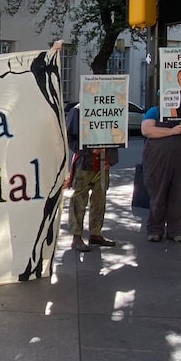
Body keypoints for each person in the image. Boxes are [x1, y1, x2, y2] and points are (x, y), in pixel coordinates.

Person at [141, 104, 181, 242]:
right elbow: (146, 130)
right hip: (158, 160)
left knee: (179, 195)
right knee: (158, 194)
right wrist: (171, 131)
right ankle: (155, 230)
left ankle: (175, 231)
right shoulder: (155, 111)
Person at [65, 102, 118, 251]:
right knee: (79, 200)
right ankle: (76, 236)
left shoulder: (112, 109)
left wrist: (110, 159)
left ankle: (95, 233)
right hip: (84, 164)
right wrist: (89, 151)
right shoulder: (78, 110)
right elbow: (70, 138)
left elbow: (117, 136)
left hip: (103, 165)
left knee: (99, 200)